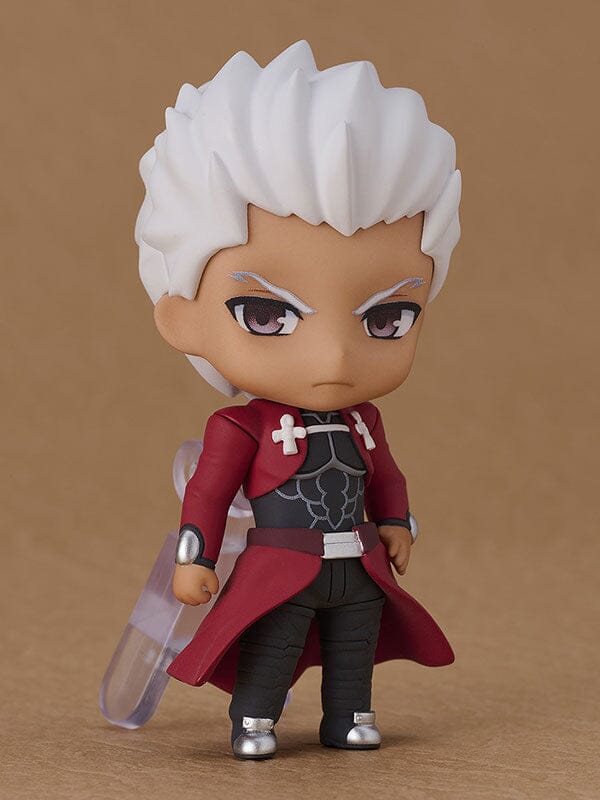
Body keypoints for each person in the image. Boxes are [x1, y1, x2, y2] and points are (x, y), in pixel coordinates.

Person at [135, 40, 461, 759]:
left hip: (358, 563)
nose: (335, 356)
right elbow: (208, 495)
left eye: (386, 319)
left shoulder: (364, 421)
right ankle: (255, 720)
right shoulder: (239, 427)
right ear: (182, 317)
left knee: (355, 643)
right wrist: (196, 558)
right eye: (267, 314)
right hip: (282, 563)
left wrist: (396, 522)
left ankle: (350, 715)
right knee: (274, 640)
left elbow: (385, 475)